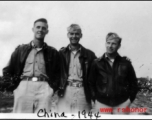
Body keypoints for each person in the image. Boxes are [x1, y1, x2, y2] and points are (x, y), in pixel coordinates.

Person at [2, 18, 60, 113]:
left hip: (44, 87)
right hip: (24, 86)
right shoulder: (20, 50)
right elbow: (7, 70)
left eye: (43, 28)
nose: (40, 30)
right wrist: (14, 87)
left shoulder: (52, 52)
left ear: (47, 31)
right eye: (38, 27)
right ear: (33, 29)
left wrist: (52, 88)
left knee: (43, 116)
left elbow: (59, 72)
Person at [88, 32, 138, 114]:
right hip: (101, 104)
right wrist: (95, 100)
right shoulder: (97, 63)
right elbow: (90, 83)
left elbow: (134, 83)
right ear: (105, 43)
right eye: (108, 43)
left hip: (122, 104)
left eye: (114, 44)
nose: (110, 46)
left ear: (119, 46)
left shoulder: (126, 63)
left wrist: (129, 101)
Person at [57, 24, 97, 113]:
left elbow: (99, 69)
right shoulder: (61, 53)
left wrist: (122, 59)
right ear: (68, 35)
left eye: (77, 34)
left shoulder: (89, 55)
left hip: (83, 92)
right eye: (71, 34)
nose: (74, 36)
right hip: (65, 91)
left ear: (81, 36)